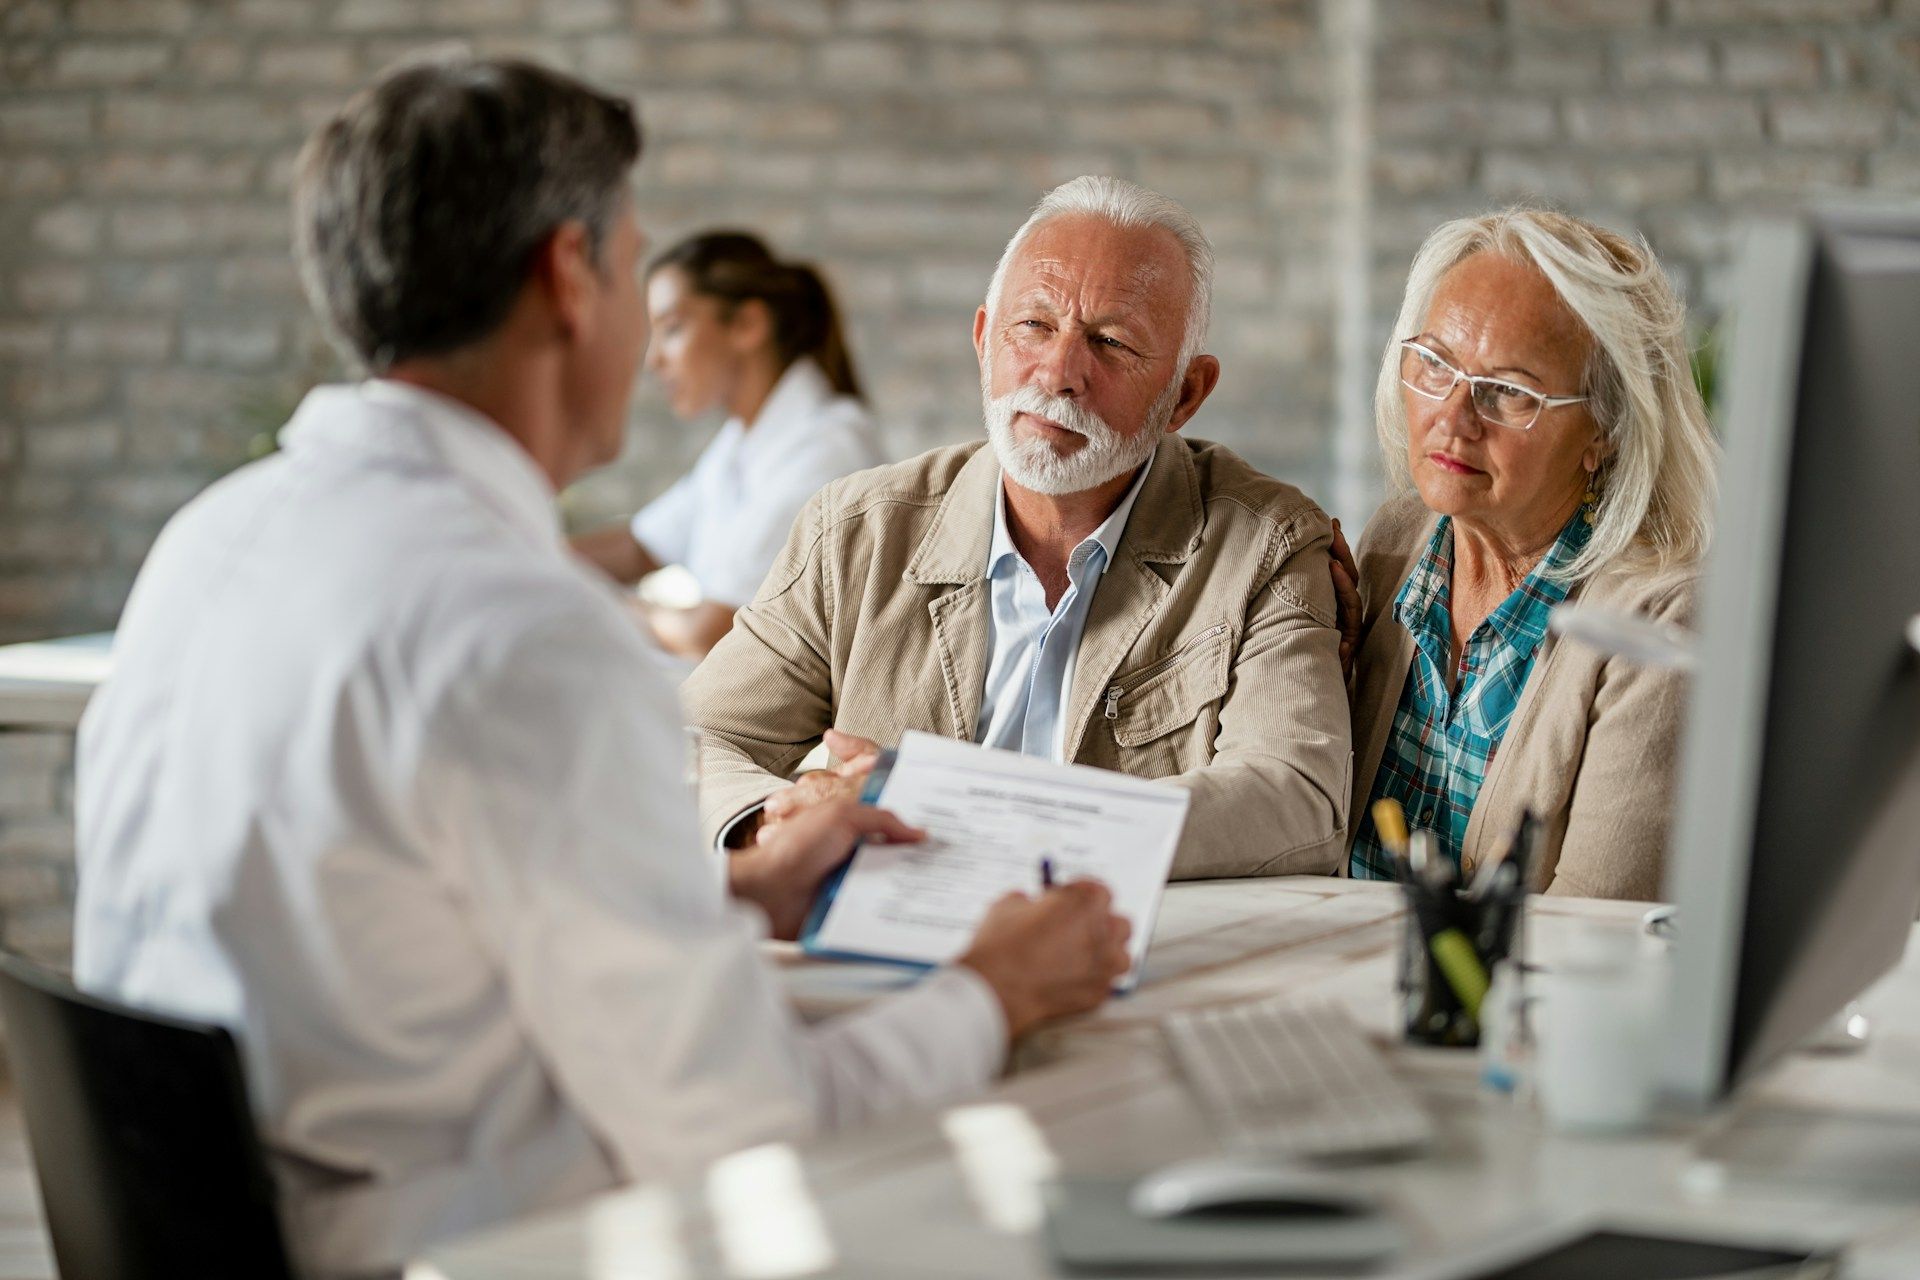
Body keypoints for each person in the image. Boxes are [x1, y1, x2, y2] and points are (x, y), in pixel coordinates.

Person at [71, 56, 1130, 1278]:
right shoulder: (524, 633)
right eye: (634, 266)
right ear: (570, 276)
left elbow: (380, 929)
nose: (645, 328)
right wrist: (993, 990)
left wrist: (729, 897)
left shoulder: (210, 538)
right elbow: (752, 1129)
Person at [682, 176, 1352, 881]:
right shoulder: (854, 532)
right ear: (983, 341)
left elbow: (1296, 800)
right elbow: (695, 738)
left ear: (1185, 393)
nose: (1059, 372)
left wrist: (971, 816)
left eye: (1113, 342)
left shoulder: (1266, 544)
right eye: (1033, 326)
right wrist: (775, 822)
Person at [1331, 207, 1718, 900]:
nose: (1452, 417)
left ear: (1606, 429)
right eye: (1435, 363)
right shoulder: (1397, 541)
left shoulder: (1662, 621)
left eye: (1508, 391)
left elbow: (1593, 933)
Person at [571, 230, 883, 658]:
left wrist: (580, 599)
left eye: (673, 329)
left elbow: (707, 633)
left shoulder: (825, 450)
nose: (654, 359)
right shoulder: (741, 442)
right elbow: (640, 545)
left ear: (746, 325)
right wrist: (522, 554)